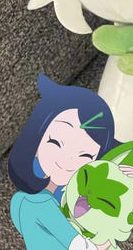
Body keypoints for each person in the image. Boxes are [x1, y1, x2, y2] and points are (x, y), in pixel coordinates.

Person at [9, 74, 118, 250]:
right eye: (56, 142)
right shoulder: (35, 204)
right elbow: (82, 246)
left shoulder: (66, 197)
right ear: (35, 142)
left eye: (85, 156)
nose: (69, 160)